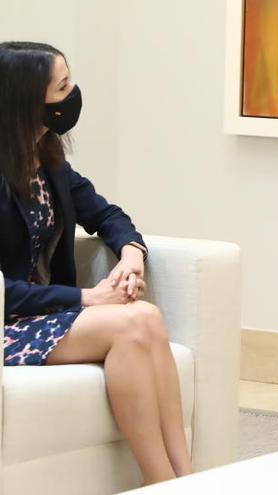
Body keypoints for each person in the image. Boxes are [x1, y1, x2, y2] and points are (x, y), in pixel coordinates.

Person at [0, 42, 191, 484]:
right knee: (129, 323)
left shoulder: (47, 159)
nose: (73, 94)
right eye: (63, 86)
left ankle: (186, 478)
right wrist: (89, 296)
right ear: (28, 100)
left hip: (42, 314)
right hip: (7, 321)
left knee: (146, 317)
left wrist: (131, 254)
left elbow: (107, 215)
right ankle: (162, 482)